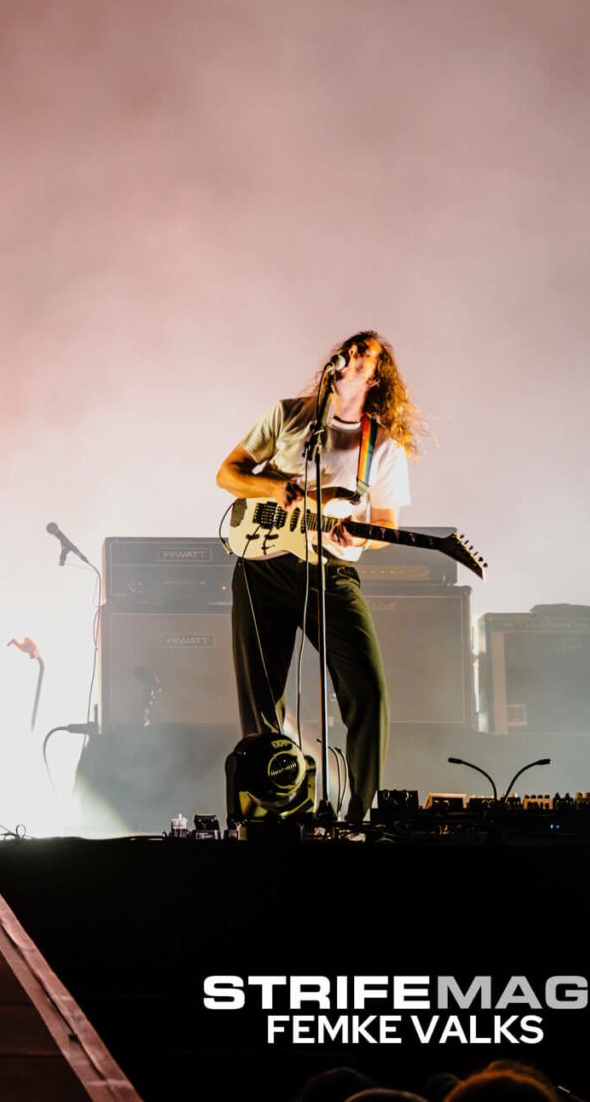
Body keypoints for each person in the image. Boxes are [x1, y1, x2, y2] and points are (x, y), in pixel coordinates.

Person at [216, 330, 421, 823]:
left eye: (362, 354)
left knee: (368, 693)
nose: (349, 356)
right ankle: (277, 811)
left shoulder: (382, 446)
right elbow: (228, 474)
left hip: (331, 574)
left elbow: (387, 526)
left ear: (376, 376)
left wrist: (360, 536)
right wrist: (272, 485)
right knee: (262, 702)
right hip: (263, 564)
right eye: (347, 349)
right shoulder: (288, 415)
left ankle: (358, 817)